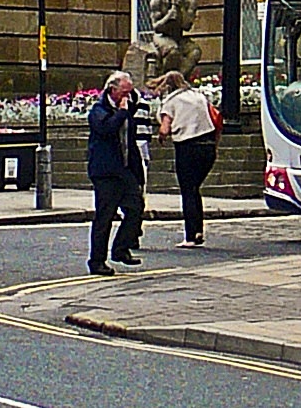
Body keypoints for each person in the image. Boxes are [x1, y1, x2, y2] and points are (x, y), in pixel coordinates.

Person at [85, 70, 144, 275]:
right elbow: (107, 130)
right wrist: (120, 112)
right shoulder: (99, 110)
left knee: (136, 207)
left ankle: (120, 248)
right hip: (106, 171)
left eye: (130, 92)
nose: (127, 97)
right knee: (105, 216)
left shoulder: (127, 108)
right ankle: (97, 261)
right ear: (112, 90)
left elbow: (130, 139)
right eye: (124, 92)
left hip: (124, 169)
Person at [157, 69, 219, 247]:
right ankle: (198, 230)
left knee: (188, 190)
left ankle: (191, 235)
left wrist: (161, 137)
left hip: (187, 147)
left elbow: (165, 128)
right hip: (207, 146)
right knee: (195, 189)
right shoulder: (199, 96)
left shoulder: (171, 101)